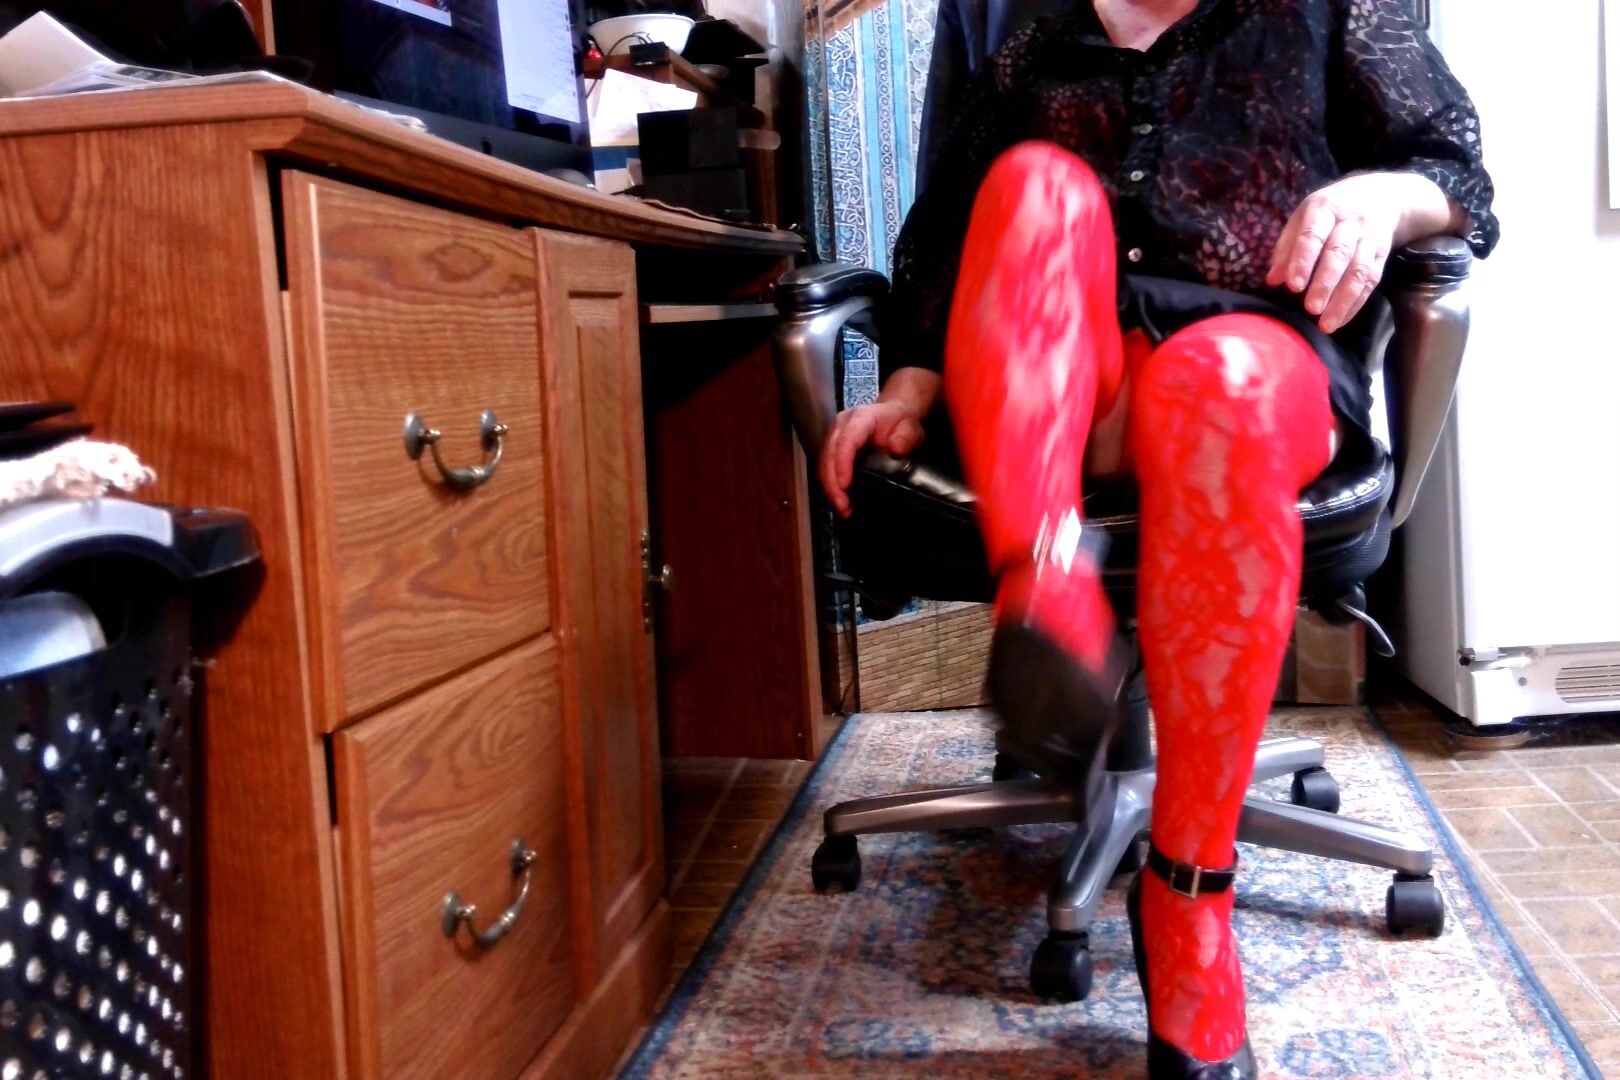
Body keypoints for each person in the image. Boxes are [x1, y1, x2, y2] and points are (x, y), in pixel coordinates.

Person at [817, 1, 1498, 1076]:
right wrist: (906, 389)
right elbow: (946, 246)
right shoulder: (1028, 30)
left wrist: (1383, 196)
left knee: (1211, 383)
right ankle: (1049, 602)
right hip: (1058, 384)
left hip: (1252, 363)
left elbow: (1457, 176)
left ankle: (1187, 896)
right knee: (1033, 185)